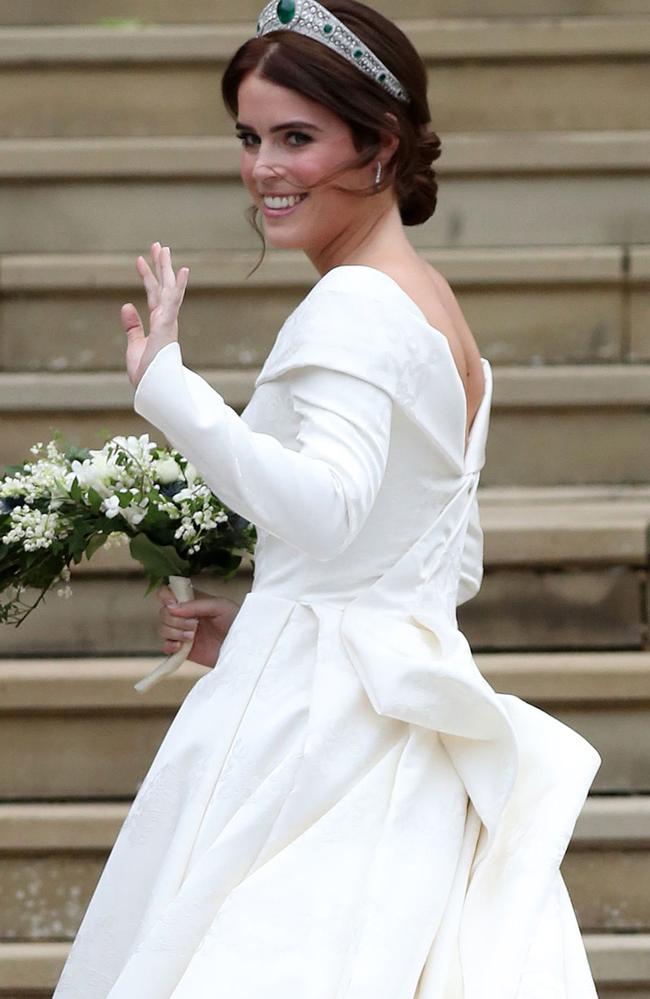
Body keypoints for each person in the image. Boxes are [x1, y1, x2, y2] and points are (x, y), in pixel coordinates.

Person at [53, 1, 602, 996]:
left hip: (315, 738)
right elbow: (443, 557)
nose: (263, 166)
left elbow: (328, 513)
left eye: (296, 138)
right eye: (250, 137)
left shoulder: (351, 303)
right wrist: (277, 616)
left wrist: (167, 390)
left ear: (379, 143)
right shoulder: (432, 305)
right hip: (400, 707)